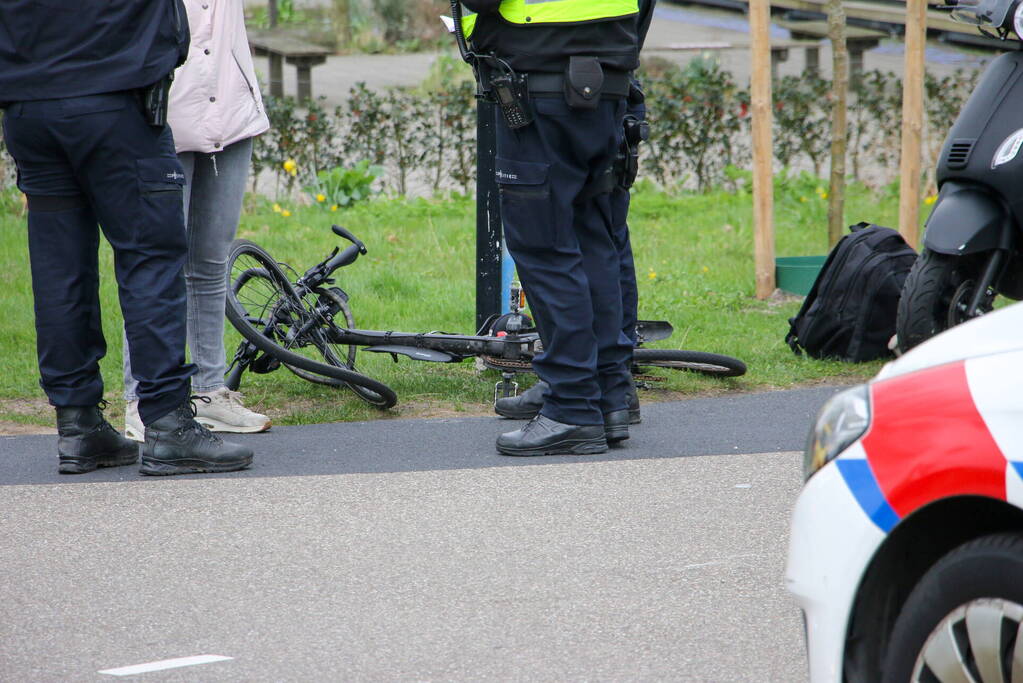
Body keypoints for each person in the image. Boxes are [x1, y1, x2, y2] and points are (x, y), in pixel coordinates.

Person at [0, 0, 253, 475]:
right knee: (150, 258)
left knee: (60, 269)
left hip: (30, 105)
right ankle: (168, 425)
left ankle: (78, 425)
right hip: (115, 99)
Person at [460, 0, 642, 456]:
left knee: (546, 249)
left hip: (539, 80)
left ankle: (573, 408)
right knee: (594, 239)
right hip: (607, 79)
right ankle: (608, 397)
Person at [123, 0, 272, 441]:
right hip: (162, 115)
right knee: (155, 265)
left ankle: (209, 391)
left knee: (210, 261)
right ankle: (142, 399)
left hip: (230, 112)